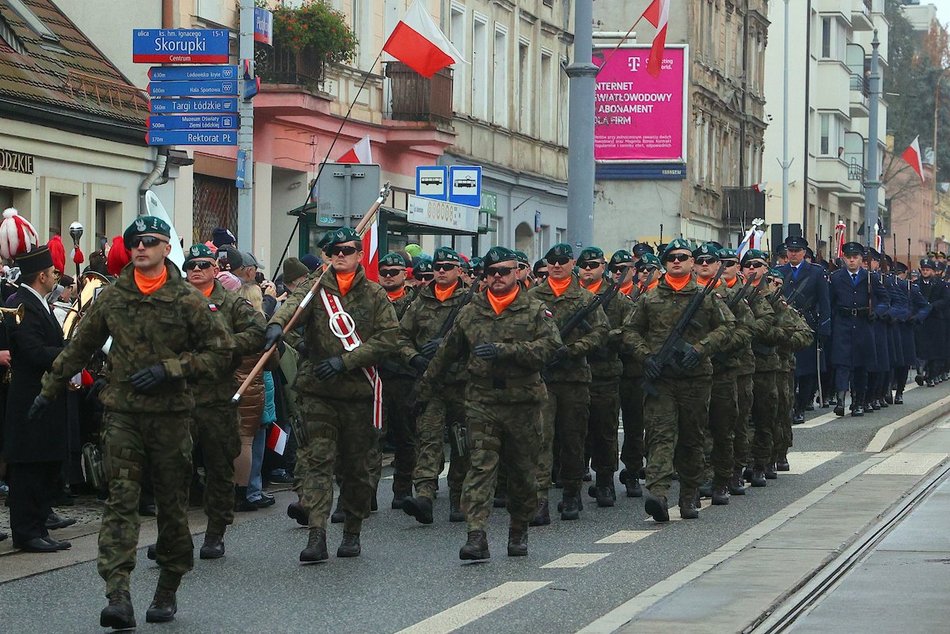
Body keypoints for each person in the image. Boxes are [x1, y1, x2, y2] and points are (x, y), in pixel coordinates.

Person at [31, 216, 234, 629]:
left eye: (150, 241)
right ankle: (118, 594)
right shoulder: (113, 296)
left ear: (164, 249)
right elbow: (81, 344)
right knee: (120, 502)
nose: (141, 247)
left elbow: (221, 353)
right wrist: (48, 389)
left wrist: (171, 369)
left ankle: (167, 588)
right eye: (134, 242)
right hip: (122, 414)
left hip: (171, 417)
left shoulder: (187, 300)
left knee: (172, 506)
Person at [265, 227, 399, 563]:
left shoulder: (374, 294)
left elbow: (388, 340)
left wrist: (346, 361)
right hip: (318, 391)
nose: (340, 254)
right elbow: (293, 306)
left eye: (347, 250)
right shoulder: (315, 288)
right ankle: (317, 535)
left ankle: (352, 530)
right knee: (317, 464)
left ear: (358, 254)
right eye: (333, 250)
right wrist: (277, 324)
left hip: (358, 392)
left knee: (356, 468)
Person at [420, 246, 561, 559]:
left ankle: (518, 530)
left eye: (505, 271)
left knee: (523, 471)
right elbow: (446, 353)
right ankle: (476, 535)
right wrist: (424, 387)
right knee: (480, 468)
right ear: (484, 276)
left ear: (516, 273)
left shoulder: (535, 309)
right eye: (492, 272)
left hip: (522, 402)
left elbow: (551, 348)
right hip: (482, 401)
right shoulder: (471, 311)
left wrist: (506, 350)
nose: (498, 277)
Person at [622, 238, 734, 522]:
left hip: (695, 379)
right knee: (660, 435)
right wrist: (645, 357)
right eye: (671, 257)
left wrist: (701, 349)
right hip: (661, 379)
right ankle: (658, 494)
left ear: (691, 263)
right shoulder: (649, 298)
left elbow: (728, 326)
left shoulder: (705, 295)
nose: (676, 261)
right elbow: (629, 331)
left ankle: (689, 495)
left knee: (692, 437)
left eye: (683, 257)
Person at [182, 244, 265, 558]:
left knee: (218, 467)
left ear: (215, 269)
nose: (197, 270)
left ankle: (215, 533)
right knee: (173, 469)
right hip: (179, 397)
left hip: (217, 397)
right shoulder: (173, 300)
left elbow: (257, 330)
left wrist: (227, 345)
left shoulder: (231, 302)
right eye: (191, 265)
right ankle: (175, 536)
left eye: (204, 264)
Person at [528, 244, 607, 523]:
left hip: (574, 378)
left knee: (573, 439)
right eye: (552, 261)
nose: (557, 265)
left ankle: (572, 493)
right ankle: (539, 499)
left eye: (562, 260)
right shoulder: (533, 297)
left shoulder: (586, 299)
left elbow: (601, 332)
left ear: (572, 263)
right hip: (543, 380)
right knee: (541, 438)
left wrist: (574, 349)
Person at [4, 245, 73, 553]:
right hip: (29, 396)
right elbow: (32, 352)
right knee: (29, 466)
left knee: (45, 463)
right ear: (43, 275)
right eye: (53, 272)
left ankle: (39, 526)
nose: (56, 277)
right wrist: (73, 352)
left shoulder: (39, 302)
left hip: (47, 396)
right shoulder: (21, 304)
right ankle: (26, 531)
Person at [401, 247, 472, 524]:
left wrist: (445, 346)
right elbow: (401, 337)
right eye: (437, 266)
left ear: (458, 271)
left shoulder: (471, 301)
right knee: (428, 438)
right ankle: (425, 496)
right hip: (429, 383)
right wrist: (414, 357)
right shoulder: (420, 301)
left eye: (447, 266)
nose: (441, 270)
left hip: (461, 382)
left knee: (461, 442)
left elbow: (480, 339)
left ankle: (458, 497)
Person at [577, 247, 632, 507]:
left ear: (603, 267)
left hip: (604, 373)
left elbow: (631, 330)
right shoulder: (569, 296)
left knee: (604, 430)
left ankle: (605, 480)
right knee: (572, 431)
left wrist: (603, 338)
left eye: (593, 264)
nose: (588, 269)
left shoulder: (617, 299)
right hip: (571, 373)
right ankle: (571, 484)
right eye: (583, 265)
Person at [376, 252, 417, 509]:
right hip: (376, 374)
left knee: (406, 436)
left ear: (405, 274)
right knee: (372, 437)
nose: (389, 276)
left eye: (394, 272)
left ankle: (402, 489)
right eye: (384, 272)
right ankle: (365, 493)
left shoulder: (416, 302)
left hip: (405, 376)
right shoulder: (372, 300)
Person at [829, 242, 886, 416]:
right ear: (844, 258)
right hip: (843, 324)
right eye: (848, 257)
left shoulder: (870, 278)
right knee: (842, 364)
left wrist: (875, 312)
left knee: (861, 366)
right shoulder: (836, 277)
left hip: (863, 324)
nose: (852, 261)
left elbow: (884, 300)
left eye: (855, 257)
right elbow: (829, 302)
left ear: (862, 259)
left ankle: (858, 402)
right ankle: (840, 401)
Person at [777, 236, 831, 423]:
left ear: (804, 253)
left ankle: (801, 406)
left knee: (807, 370)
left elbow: (824, 301)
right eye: (790, 251)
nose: (793, 253)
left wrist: (825, 326)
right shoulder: (779, 271)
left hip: (807, 323)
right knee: (789, 368)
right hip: (785, 323)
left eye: (797, 250)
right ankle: (790, 406)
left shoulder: (815, 272)